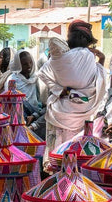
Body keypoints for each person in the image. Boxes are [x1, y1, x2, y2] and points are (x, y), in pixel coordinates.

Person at [37, 21, 106, 153]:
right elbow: (99, 82)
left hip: (59, 113)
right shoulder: (88, 56)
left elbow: (42, 73)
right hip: (84, 112)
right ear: (83, 38)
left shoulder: (57, 59)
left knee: (57, 154)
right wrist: (101, 61)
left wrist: (59, 90)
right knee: (77, 153)